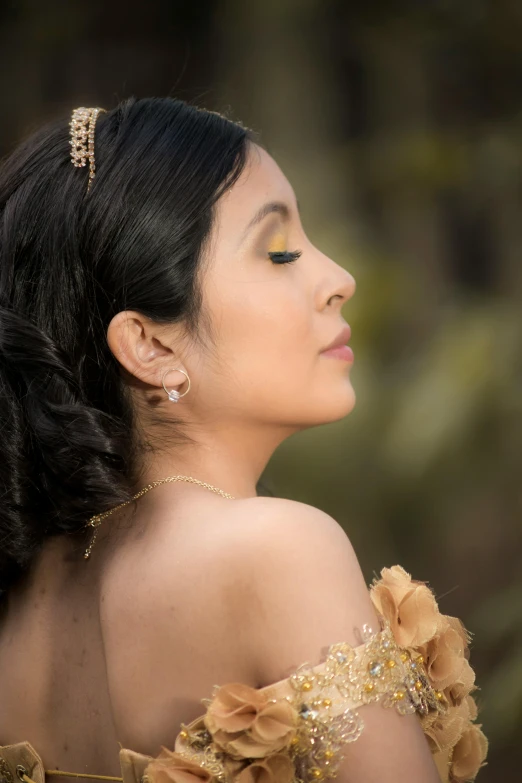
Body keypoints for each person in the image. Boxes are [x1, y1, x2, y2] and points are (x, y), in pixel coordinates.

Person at [0, 98, 486, 783]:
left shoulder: (24, 594)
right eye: (279, 251)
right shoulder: (277, 548)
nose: (338, 280)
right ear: (149, 344)